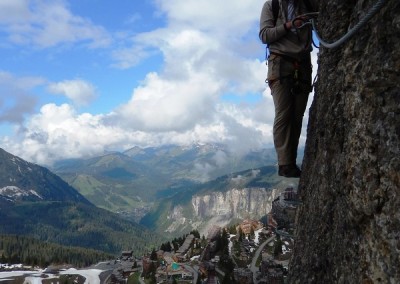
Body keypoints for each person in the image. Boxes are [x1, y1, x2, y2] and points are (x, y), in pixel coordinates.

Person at [259, 0, 318, 178]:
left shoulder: (307, 5)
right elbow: (264, 35)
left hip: (302, 63)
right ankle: (285, 163)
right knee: (284, 114)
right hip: (281, 63)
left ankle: (290, 163)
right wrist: (289, 25)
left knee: (297, 115)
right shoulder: (272, 5)